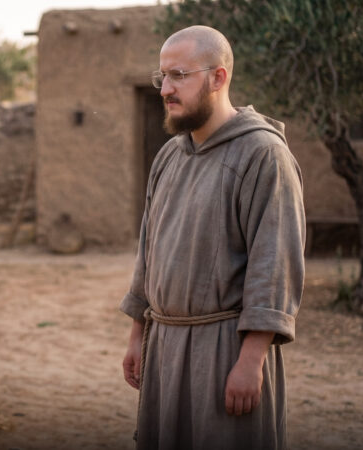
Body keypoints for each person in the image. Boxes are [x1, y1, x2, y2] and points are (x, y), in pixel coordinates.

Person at [120, 26, 305, 449]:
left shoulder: (263, 154)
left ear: (218, 77)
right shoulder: (169, 155)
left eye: (179, 75)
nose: (165, 89)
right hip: (163, 345)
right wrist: (137, 335)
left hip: (225, 350)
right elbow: (148, 251)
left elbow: (275, 263)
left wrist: (251, 360)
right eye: (162, 76)